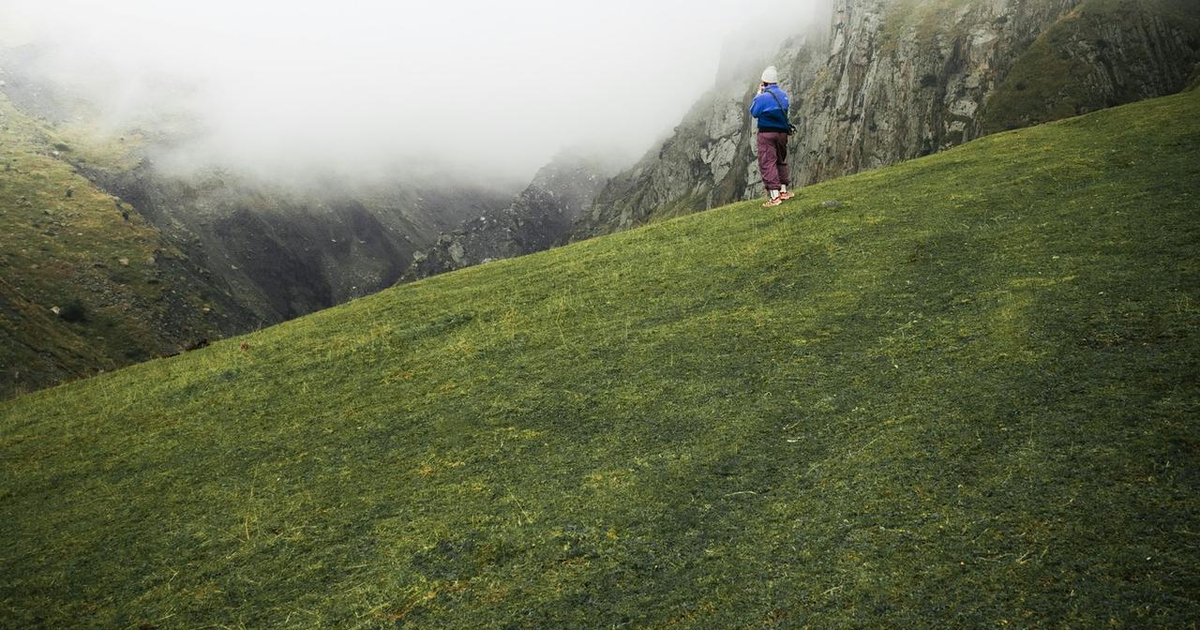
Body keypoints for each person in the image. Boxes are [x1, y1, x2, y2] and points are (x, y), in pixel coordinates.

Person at [750, 66, 795, 208]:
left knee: (768, 162)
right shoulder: (783, 95)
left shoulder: (763, 97)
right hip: (782, 133)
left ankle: (774, 197)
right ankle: (783, 191)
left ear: (764, 82)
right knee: (781, 160)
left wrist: (758, 94)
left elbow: (754, 112)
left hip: (767, 133)